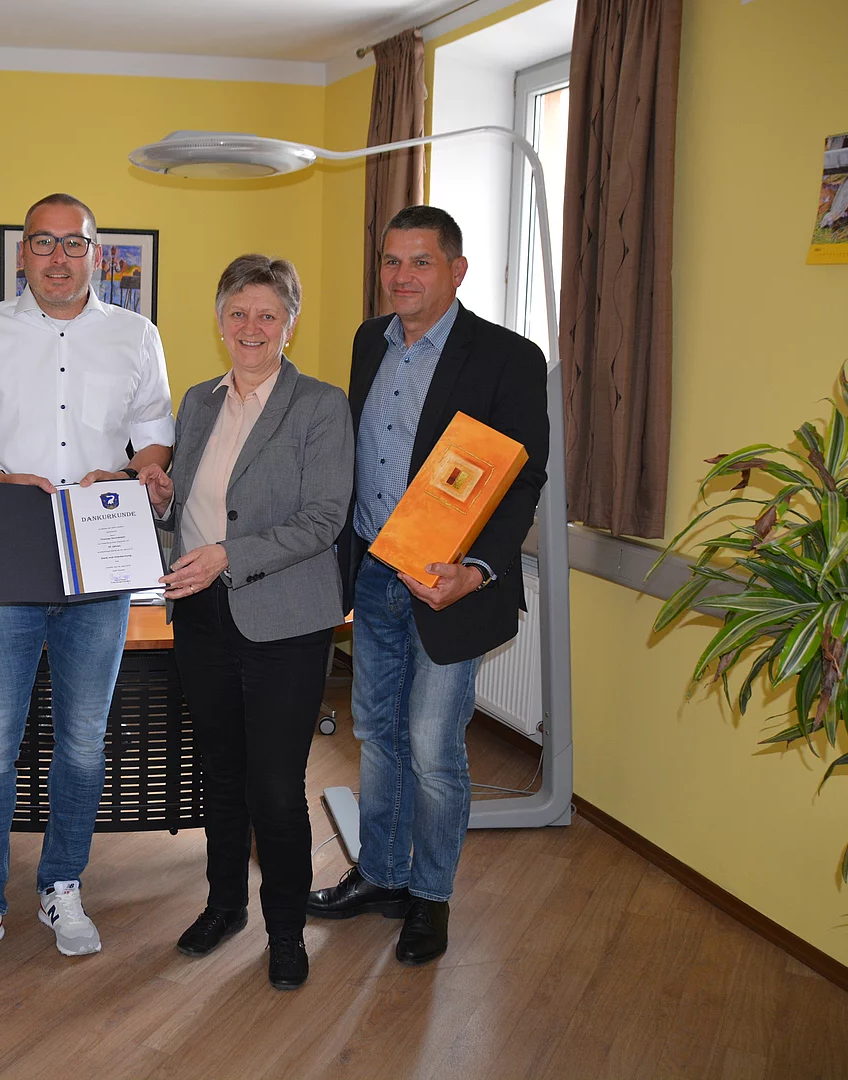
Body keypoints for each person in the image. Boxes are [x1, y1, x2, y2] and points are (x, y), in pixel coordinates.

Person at [0, 192, 175, 977]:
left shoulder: (136, 336)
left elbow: (155, 434)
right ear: (22, 253)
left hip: (97, 554)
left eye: (74, 244)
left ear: (96, 253)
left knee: (83, 740)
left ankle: (62, 883)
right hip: (6, 546)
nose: (59, 258)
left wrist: (139, 471)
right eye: (44, 242)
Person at [307, 205, 549, 965]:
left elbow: (521, 480)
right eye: (391, 261)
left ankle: (431, 896)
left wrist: (476, 572)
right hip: (376, 575)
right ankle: (381, 875)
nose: (401, 276)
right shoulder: (368, 342)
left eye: (420, 261)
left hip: (450, 585)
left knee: (433, 747)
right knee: (377, 735)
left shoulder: (509, 357)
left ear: (457, 270)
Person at [137, 255, 351, 990]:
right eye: (238, 313)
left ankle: (285, 930)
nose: (251, 327)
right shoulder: (198, 401)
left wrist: (228, 555)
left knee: (276, 786)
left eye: (267, 315)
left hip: (286, 620)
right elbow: (189, 503)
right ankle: (224, 905)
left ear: (290, 324)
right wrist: (161, 499)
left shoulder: (320, 405)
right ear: (220, 320)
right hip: (202, 615)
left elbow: (323, 519)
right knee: (220, 776)